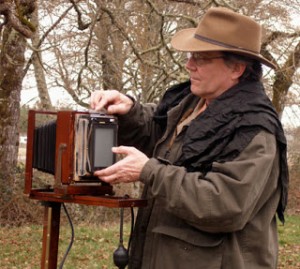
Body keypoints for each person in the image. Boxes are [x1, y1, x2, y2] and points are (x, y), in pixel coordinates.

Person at [90, 7, 288, 269]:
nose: (189, 64)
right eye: (191, 55)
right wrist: (128, 111)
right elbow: (159, 138)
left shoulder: (254, 128)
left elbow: (224, 205)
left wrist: (150, 172)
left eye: (202, 58)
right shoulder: (190, 104)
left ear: (237, 68)